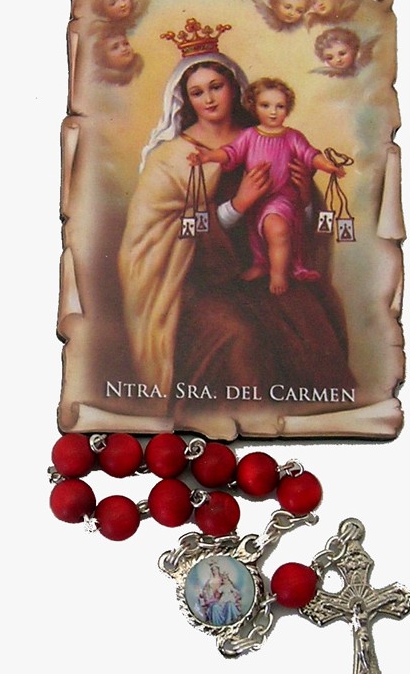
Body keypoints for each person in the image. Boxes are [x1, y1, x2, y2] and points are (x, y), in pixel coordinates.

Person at [118, 38, 355, 407]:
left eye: (216, 87)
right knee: (238, 338)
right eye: (197, 92)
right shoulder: (173, 158)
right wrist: (238, 204)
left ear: (235, 89)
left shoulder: (270, 139)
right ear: (186, 100)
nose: (209, 99)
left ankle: (314, 420)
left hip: (270, 272)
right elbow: (159, 240)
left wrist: (304, 195)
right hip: (203, 285)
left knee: (310, 320)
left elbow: (307, 223)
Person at [187, 77, 347, 295]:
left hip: (283, 198)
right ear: (254, 107)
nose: (273, 112)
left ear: (287, 109)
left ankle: (278, 274)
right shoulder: (249, 136)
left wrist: (329, 166)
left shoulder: (292, 137)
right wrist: (208, 157)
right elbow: (230, 153)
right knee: (257, 238)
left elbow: (310, 155)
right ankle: (262, 264)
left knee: (277, 229)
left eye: (279, 106)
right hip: (256, 200)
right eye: (265, 105)